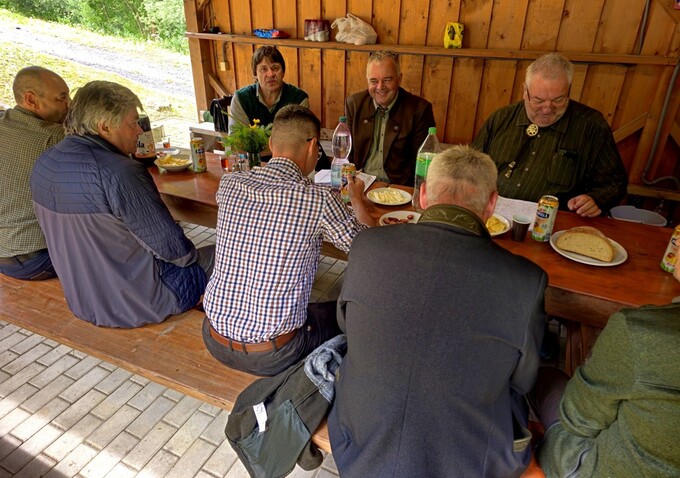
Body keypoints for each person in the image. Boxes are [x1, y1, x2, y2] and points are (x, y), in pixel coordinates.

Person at [328, 145, 548, 477]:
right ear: (491, 204)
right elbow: (522, 380)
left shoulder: (368, 245)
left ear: (424, 196)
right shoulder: (527, 280)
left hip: (358, 439)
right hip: (468, 461)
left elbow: (346, 325)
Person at [202, 105, 374, 377]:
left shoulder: (230, 184)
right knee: (343, 313)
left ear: (271, 144)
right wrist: (356, 198)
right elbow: (368, 249)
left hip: (213, 338)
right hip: (273, 354)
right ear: (313, 147)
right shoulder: (318, 199)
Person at [30, 81, 214, 328]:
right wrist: (192, 262)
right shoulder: (120, 172)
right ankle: (235, 328)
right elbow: (174, 250)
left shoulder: (45, 161)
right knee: (224, 253)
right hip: (138, 304)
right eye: (133, 123)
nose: (139, 131)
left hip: (83, 300)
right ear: (104, 127)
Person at [536, 266, 680, 477]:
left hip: (594, 469)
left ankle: (523, 450)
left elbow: (577, 419)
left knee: (544, 377)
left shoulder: (643, 330)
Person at [473, 52, 628, 217]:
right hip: (494, 217)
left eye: (558, 100)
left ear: (568, 92)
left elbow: (615, 183)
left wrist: (596, 200)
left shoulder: (591, 126)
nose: (547, 109)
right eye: (538, 100)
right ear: (525, 91)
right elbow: (472, 166)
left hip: (555, 223)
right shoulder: (501, 118)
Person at [0, 66, 70, 281]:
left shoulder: (4, 121)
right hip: (34, 260)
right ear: (31, 100)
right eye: (62, 98)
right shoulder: (55, 137)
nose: (70, 105)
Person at [228, 45, 330, 168]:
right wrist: (280, 145)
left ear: (283, 72)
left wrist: (256, 147)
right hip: (255, 163)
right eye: (263, 69)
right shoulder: (241, 98)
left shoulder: (298, 98)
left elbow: (297, 144)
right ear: (255, 74)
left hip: (291, 164)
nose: (270, 74)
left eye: (275, 68)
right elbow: (236, 143)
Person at [346, 49, 436, 186]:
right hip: (361, 184)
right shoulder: (354, 104)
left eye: (387, 80)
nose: (380, 87)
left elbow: (420, 164)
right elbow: (349, 153)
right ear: (367, 80)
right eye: (374, 81)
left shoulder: (419, 110)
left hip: (399, 189)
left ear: (399, 78)